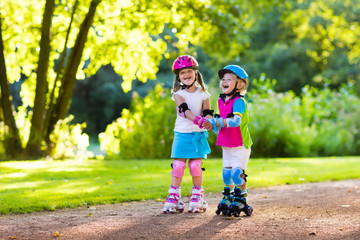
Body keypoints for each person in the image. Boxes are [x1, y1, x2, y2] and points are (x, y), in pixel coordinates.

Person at [163, 55, 213, 214]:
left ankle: (198, 195)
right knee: (178, 166)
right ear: (178, 76)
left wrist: (208, 121)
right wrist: (200, 120)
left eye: (189, 71)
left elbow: (207, 112)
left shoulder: (204, 93)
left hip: (197, 135)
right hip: (182, 134)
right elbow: (185, 111)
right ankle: (173, 196)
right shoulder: (178, 93)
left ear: (195, 73)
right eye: (182, 72)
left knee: (195, 165)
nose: (186, 75)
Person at [207, 65, 254, 217]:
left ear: (239, 84)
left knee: (236, 173)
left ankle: (241, 198)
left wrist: (218, 122)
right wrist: (211, 124)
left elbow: (235, 122)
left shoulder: (239, 101)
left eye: (229, 79)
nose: (224, 81)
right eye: (223, 79)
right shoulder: (221, 101)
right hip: (226, 144)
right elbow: (219, 124)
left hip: (240, 144)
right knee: (226, 174)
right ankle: (228, 196)